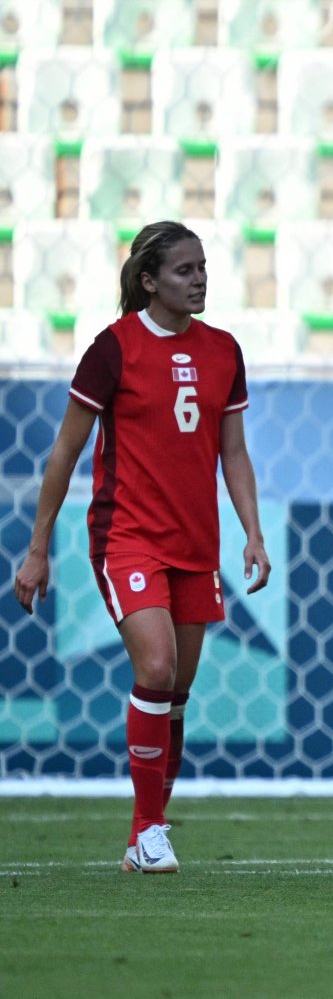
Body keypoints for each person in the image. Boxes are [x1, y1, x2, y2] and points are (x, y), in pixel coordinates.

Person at [13, 221, 271, 873]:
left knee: (176, 695)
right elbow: (67, 450)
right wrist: (38, 548)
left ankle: (142, 839)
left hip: (197, 545)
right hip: (126, 538)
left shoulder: (224, 350)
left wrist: (253, 534)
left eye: (204, 267)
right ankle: (151, 828)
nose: (200, 279)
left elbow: (233, 452)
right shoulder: (113, 349)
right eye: (185, 270)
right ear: (149, 280)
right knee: (154, 669)